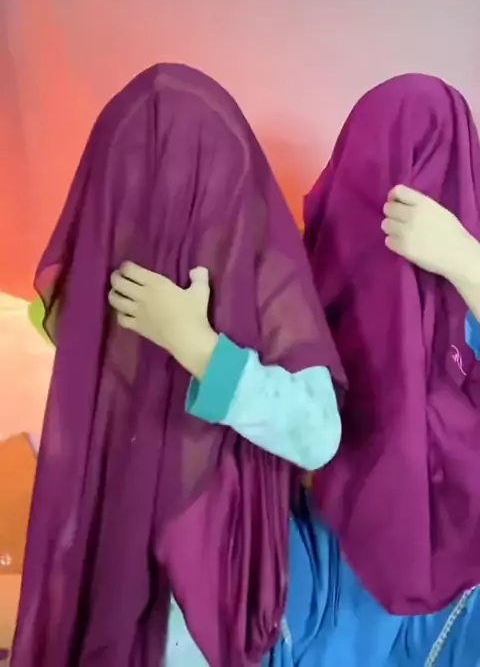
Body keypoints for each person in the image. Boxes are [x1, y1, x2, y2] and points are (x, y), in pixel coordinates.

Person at [113, 74, 480, 665]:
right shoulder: (300, 288)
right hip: (309, 571)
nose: (409, 205)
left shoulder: (462, 322)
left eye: (436, 173)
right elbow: (283, 428)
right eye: (392, 177)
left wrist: (466, 262)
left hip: (445, 592)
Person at [11, 63, 345, 667]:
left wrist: (201, 349)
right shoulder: (110, 271)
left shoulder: (264, 280)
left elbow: (318, 433)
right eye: (138, 185)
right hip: (110, 559)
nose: (163, 210)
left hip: (208, 590)